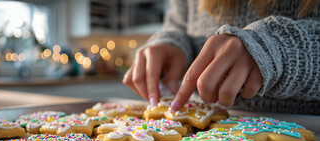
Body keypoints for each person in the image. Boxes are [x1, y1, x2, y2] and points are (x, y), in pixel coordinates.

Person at [123, 0, 320, 115]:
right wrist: (172, 43)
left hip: (309, 140)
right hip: (200, 131)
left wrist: (280, 48)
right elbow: (178, 23)